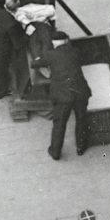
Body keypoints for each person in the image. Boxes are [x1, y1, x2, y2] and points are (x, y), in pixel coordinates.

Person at [43, 30, 90, 160]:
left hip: (63, 96)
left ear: (53, 43)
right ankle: (81, 147)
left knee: (59, 123)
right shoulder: (74, 51)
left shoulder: (50, 54)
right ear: (66, 41)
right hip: (80, 92)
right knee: (81, 119)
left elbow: (35, 63)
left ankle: (55, 152)